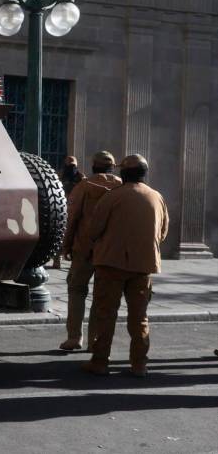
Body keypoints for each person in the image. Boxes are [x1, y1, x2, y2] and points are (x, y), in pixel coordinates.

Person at [81, 154, 168, 377]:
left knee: (106, 314)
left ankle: (100, 361)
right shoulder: (157, 197)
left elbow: (94, 230)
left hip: (111, 263)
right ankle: (139, 364)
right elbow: (163, 232)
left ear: (123, 173)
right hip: (143, 265)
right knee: (139, 317)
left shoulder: (112, 197)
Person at [57, 151, 121, 351]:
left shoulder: (84, 186)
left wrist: (65, 246)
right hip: (110, 250)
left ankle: (75, 337)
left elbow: (72, 217)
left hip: (84, 248)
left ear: (93, 166)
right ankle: (95, 340)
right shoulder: (122, 187)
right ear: (112, 167)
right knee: (101, 295)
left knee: (77, 291)